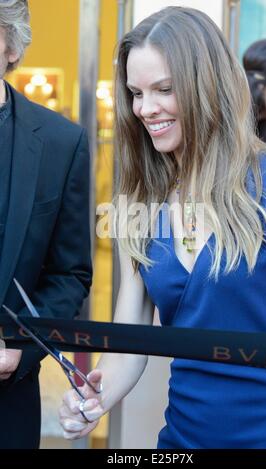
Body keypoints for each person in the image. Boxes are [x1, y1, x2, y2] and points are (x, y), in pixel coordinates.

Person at [59, 7, 266, 449]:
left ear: (207, 84)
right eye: (135, 93)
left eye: (164, 90)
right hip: (181, 441)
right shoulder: (145, 201)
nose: (145, 109)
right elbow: (128, 345)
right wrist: (94, 399)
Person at [0, 0, 92, 449]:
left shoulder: (61, 142)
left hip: (6, 397)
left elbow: (69, 273)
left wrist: (20, 349)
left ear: (11, 46)